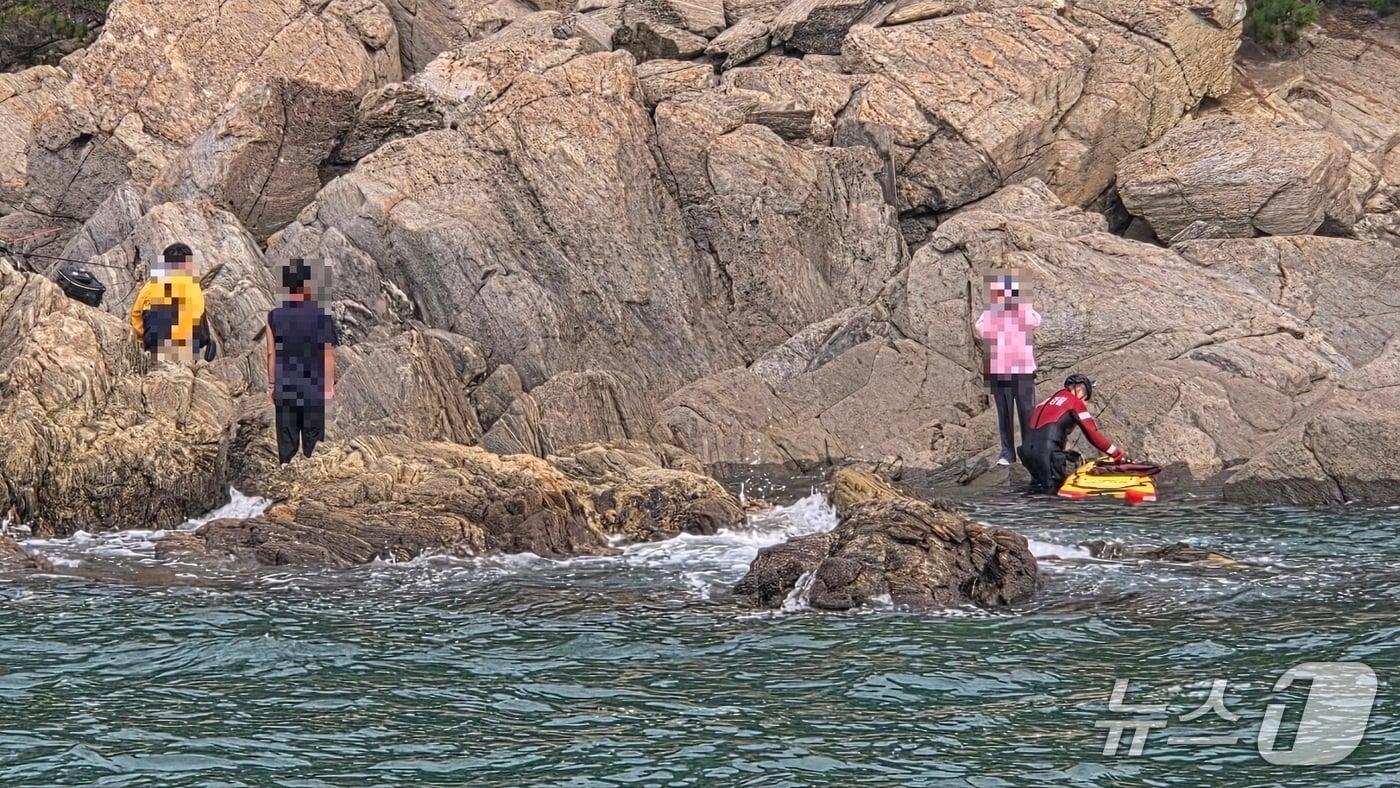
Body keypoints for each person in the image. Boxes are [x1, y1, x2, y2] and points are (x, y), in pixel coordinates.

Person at [266, 258, 338, 464]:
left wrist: (272, 385)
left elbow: (271, 353)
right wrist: (329, 386)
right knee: (314, 449)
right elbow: (327, 354)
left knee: (286, 448)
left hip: (285, 388)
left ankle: (286, 486)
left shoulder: (274, 316)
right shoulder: (321, 315)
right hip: (313, 389)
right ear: (308, 285)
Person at [1018, 374, 1126, 494]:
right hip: (1047, 454)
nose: (1084, 403)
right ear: (1081, 390)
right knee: (1051, 496)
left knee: (1036, 490)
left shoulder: (1044, 403)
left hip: (1026, 452)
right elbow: (1092, 433)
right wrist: (1116, 454)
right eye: (1085, 399)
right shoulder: (1075, 402)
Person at [975, 274, 1040, 465]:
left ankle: (1030, 451)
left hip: (1023, 370)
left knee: (1027, 412)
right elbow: (981, 329)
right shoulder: (990, 313)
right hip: (998, 370)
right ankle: (1007, 453)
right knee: (1004, 413)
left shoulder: (1023, 310)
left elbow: (1036, 321)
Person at [129, 243, 212, 362]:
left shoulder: (151, 286)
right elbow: (203, 334)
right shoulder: (196, 290)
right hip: (187, 354)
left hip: (157, 351)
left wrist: (140, 343)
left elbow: (135, 318)